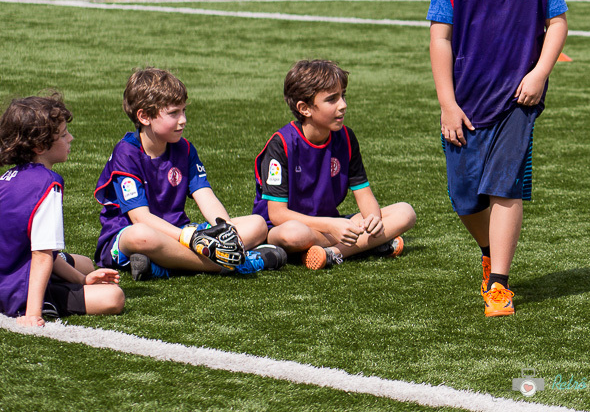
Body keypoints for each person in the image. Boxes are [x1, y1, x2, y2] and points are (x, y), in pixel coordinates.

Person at [428, 0, 568, 317]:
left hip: (517, 101)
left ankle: (500, 284)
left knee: (504, 187)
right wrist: (448, 104)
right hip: (467, 102)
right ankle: (489, 249)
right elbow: (440, 39)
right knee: (464, 196)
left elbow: (557, 22)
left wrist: (540, 73)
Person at [95, 68, 287, 281]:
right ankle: (233, 264)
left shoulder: (184, 149)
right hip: (131, 236)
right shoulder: (126, 152)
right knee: (140, 236)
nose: (183, 119)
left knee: (257, 225)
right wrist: (190, 238)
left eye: (184, 111)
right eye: (174, 113)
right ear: (144, 116)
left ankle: (164, 266)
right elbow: (140, 218)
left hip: (182, 234)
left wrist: (225, 231)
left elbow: (207, 197)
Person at [253, 60, 415, 270]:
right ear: (305, 108)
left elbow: (363, 192)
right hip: (283, 228)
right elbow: (277, 214)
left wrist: (373, 220)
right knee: (294, 234)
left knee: (405, 212)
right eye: (332, 99)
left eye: (343, 96)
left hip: (330, 224)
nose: (343, 105)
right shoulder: (281, 144)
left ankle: (333, 253)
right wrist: (332, 225)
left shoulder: (346, 138)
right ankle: (366, 245)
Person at [1, 94, 124, 325]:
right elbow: (40, 254)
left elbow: (31, 245)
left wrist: (82, 280)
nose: (71, 138)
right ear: (39, 146)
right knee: (113, 296)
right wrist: (33, 313)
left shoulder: (7, 178)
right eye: (64, 134)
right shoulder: (47, 183)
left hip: (6, 274)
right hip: (17, 291)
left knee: (85, 264)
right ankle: (42, 303)